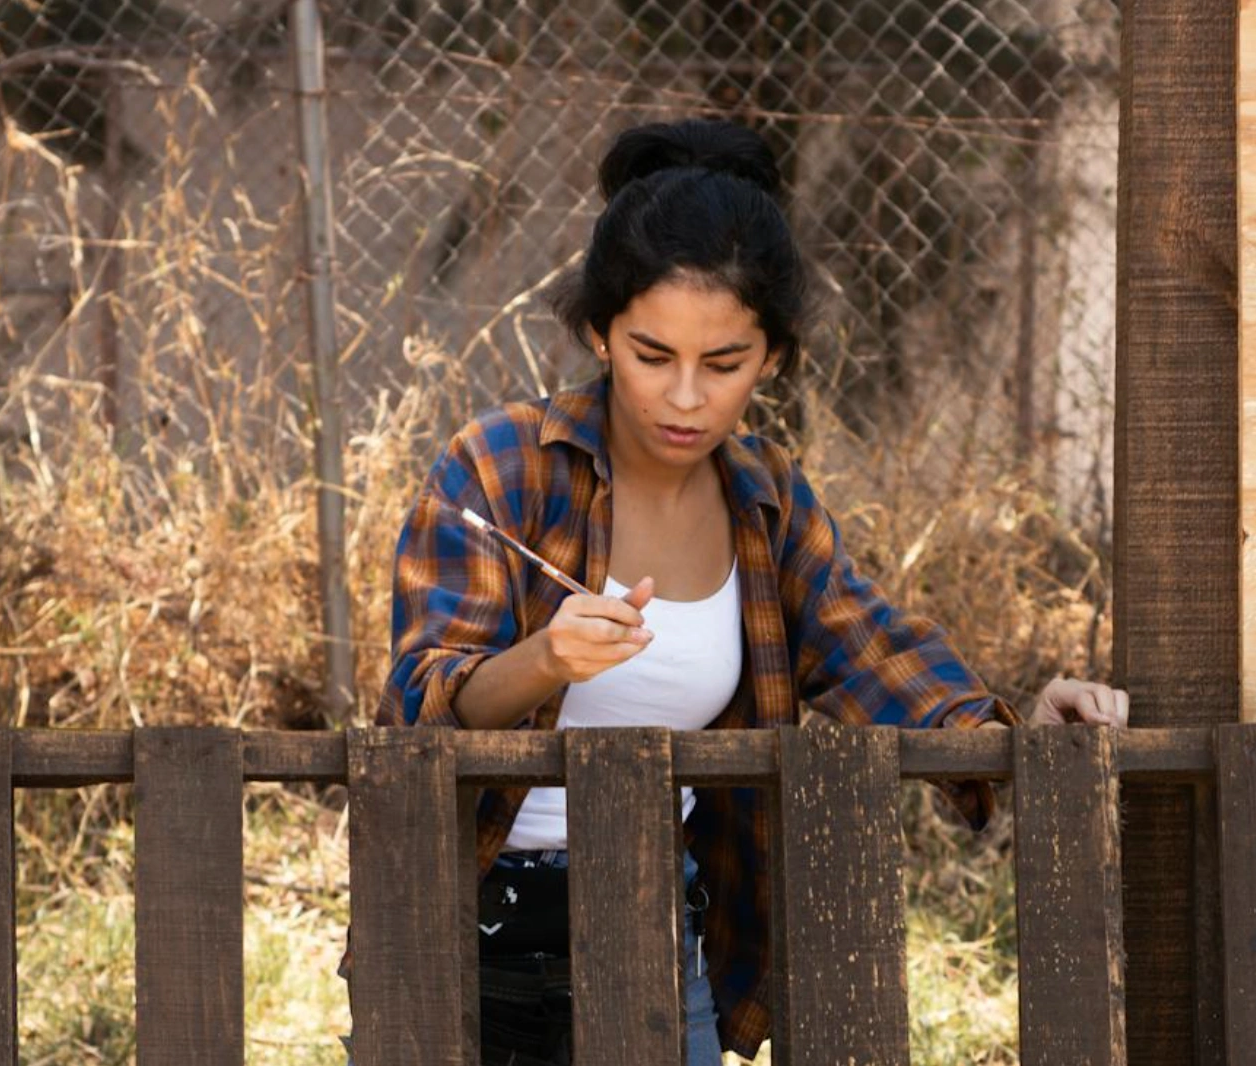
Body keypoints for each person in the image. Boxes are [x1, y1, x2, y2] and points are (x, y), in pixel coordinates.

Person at [373, 119, 1128, 1066]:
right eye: (653, 356)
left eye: (723, 365)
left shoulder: (765, 502)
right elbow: (417, 705)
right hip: (461, 921)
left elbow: (872, 652)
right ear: (601, 334)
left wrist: (1021, 733)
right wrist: (541, 661)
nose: (685, 398)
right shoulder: (500, 465)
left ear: (771, 358)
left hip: (654, 922)